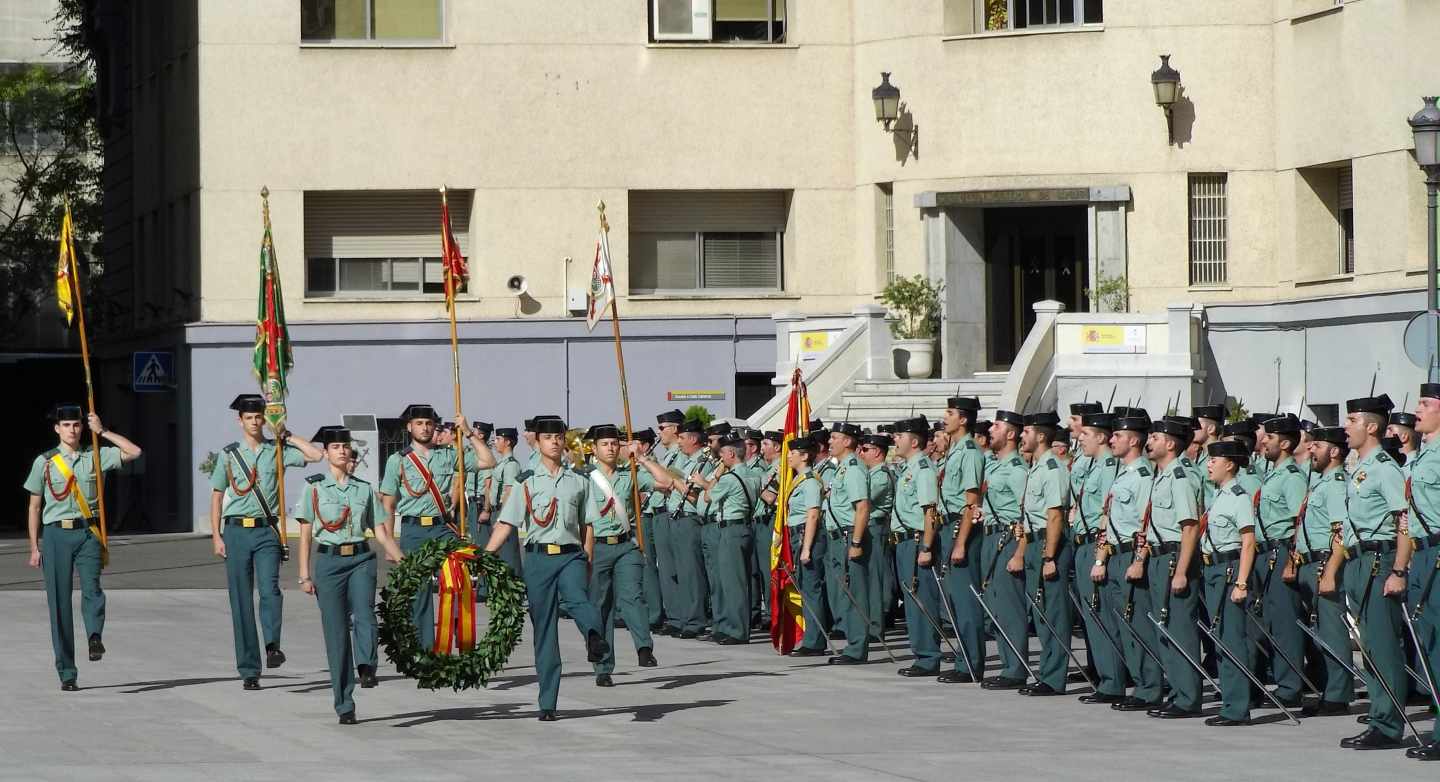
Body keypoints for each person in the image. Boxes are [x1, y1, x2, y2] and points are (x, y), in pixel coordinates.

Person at [486, 416, 607, 720]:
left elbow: (587, 525)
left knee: (578, 599)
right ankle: (548, 702)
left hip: (570, 555)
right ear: (537, 443)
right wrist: (484, 554)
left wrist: (588, 557)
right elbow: (506, 523)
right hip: (539, 559)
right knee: (544, 630)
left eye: (559, 437)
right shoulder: (526, 481)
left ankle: (594, 638)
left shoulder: (579, 481)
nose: (554, 442)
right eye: (548, 438)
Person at [209, 394, 322, 689]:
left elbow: (315, 456)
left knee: (271, 590)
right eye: (250, 417)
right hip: (235, 531)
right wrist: (217, 535)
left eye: (259, 417)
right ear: (240, 421)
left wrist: (286, 434)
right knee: (241, 600)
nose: (255, 422)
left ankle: (272, 645)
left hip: (267, 531)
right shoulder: (229, 455)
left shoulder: (277, 450)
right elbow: (217, 495)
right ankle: (249, 669)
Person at [24, 404, 141, 691]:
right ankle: (67, 672)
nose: (72, 430)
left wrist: (103, 431)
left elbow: (134, 452)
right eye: (66, 425)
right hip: (55, 536)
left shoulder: (95, 456)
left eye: (76, 425)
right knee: (59, 604)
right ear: (57, 429)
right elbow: (35, 506)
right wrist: (34, 547)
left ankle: (94, 638)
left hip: (88, 532)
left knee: (93, 589)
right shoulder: (46, 462)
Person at [292, 426, 404, 724]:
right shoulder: (313, 488)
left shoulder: (364, 489)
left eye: (345, 446)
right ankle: (344, 703)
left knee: (365, 612)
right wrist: (304, 575)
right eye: (335, 447)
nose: (342, 451)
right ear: (326, 453)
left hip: (360, 559)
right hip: (328, 565)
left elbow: (381, 531)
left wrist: (401, 557)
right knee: (337, 633)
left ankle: (367, 665)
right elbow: (304, 537)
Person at [1331, 394, 1412, 750]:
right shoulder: (1360, 469)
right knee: (1369, 648)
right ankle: (1380, 718)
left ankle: (1389, 725)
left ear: (1372, 426)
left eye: (1352, 421)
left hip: (1380, 562)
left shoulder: (1384, 468)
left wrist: (1398, 569)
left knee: (1383, 646)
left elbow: (1404, 522)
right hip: (1357, 560)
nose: (1346, 427)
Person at [379, 404, 490, 650]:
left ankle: (462, 641)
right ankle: (426, 650)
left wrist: (468, 432)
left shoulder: (448, 454)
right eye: (419, 423)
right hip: (414, 531)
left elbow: (487, 460)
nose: (425, 427)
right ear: (409, 427)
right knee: (419, 593)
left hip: (442, 528)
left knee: (457, 580)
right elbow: (387, 504)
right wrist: (389, 543)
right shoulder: (397, 461)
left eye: (429, 423)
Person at [582, 425, 657, 687]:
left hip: (626, 545)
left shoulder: (631, 474)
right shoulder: (584, 478)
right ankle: (603, 666)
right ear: (594, 449)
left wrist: (643, 459)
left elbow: (664, 481)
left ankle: (644, 648)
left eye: (615, 443)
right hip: (599, 547)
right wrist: (587, 555)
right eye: (605, 444)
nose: (611, 448)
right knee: (601, 606)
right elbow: (586, 523)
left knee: (633, 597)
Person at [1142, 417, 1204, 718]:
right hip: (1158, 556)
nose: (1149, 441)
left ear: (1170, 443)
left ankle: (1189, 697)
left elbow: (1190, 527)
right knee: (1164, 627)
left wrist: (1181, 570)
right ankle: (1178, 690)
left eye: (1155, 436)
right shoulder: (1163, 475)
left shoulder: (1180, 476)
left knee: (1180, 628)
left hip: (1173, 558)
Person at [1102, 411, 1163, 712]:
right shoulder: (1122, 473)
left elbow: (1146, 525)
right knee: (1124, 625)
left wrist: (1139, 560)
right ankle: (1139, 683)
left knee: (1138, 623)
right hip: (1115, 554)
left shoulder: (1141, 477)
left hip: (1131, 554)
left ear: (1134, 440)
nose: (1112, 439)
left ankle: (1150, 688)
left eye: (1118, 435)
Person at [1293, 426, 1355, 718]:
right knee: (1319, 632)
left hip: (1324, 563)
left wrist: (1331, 571)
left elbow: (1340, 532)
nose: (1311, 450)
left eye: (1316, 445)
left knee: (1332, 631)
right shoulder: (1320, 482)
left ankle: (1338, 695)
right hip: (1308, 562)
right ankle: (1328, 689)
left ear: (1333, 451)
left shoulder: (1335, 484)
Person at [1199, 440, 1260, 727]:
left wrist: (1242, 583)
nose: (1209, 464)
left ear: (1230, 464)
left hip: (1229, 569)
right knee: (1221, 637)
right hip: (1213, 569)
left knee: (1232, 639)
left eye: (1215, 460)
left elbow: (1248, 542)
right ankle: (1230, 701)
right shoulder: (1219, 495)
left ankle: (1237, 708)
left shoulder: (1238, 496)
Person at [1252, 414, 1309, 710]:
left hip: (1282, 551)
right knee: (1269, 620)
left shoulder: (1291, 476)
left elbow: (1300, 522)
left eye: (1270, 439)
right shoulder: (1272, 473)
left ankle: (1290, 686)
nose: (1264, 441)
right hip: (1265, 552)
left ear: (1285, 444)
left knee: (1285, 621)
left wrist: (1292, 562)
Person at [1017, 412, 1072, 696]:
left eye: (1026, 431)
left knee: (1054, 612)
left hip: (1047, 545)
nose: (1021, 436)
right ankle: (1046, 672)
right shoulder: (1037, 467)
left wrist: (1049, 557)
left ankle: (1054, 677)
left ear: (1040, 436)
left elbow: (1054, 515)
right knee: (1041, 612)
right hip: (1034, 541)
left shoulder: (1052, 468)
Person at [1073, 411, 1125, 705]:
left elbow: (1108, 515)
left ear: (1102, 438)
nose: (1080, 438)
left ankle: (1112, 681)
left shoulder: (1107, 469)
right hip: (1084, 542)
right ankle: (1104, 676)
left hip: (1096, 544)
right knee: (1092, 616)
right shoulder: (1094, 466)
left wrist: (1100, 557)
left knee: (1101, 614)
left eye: (1086, 434)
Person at [978, 410, 1031, 689]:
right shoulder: (995, 466)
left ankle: (1016, 669)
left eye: (997, 426)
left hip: (1009, 538)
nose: (991, 430)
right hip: (991, 536)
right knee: (996, 605)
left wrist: (1020, 552)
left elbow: (1027, 514)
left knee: (1010, 606)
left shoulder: (1016, 470)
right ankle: (1007, 662)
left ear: (1011, 434)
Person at [697, 435, 760, 645]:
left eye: (723, 453)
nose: (721, 458)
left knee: (733, 582)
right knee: (739, 580)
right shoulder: (752, 475)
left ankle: (737, 630)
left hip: (731, 530)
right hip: (744, 527)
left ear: (731, 454)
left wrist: (709, 479)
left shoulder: (729, 478)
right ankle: (733, 626)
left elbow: (708, 497)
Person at [891, 417, 942, 675]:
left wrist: (926, 547)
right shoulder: (909, 467)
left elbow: (930, 511)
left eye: (899, 436)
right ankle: (921, 653)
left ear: (913, 441)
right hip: (904, 541)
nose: (894, 440)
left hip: (916, 540)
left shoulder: (922, 468)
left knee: (921, 599)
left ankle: (928, 657)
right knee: (911, 600)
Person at [940, 397, 986, 682]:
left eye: (950, 413)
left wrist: (960, 543)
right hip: (948, 527)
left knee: (966, 601)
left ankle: (970, 664)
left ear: (964, 419)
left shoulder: (969, 451)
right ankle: (963, 659)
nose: (945, 417)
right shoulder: (954, 450)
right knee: (955, 601)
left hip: (961, 528)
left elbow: (971, 500)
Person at [1406, 384, 1440, 761]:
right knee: (1429, 646)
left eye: (1426, 404)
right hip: (1421, 552)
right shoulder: (1422, 455)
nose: (1418, 410)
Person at [821, 422, 872, 664]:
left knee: (855, 593)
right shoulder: (841, 468)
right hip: (838, 536)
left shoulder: (853, 468)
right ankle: (853, 643)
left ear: (848, 441)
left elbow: (862, 508)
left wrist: (856, 541)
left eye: (834, 437)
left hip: (848, 535)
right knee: (845, 593)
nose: (830, 442)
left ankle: (857, 647)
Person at [647, 409, 687, 635]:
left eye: (662, 428)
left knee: (673, 568)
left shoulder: (678, 454)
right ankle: (673, 615)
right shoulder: (667, 455)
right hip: (659, 512)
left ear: (674, 429)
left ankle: (678, 616)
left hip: (670, 511)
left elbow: (673, 481)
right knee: (666, 569)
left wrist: (652, 465)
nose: (659, 432)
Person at [857, 433, 896, 641]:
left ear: (877, 452)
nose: (861, 453)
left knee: (875, 578)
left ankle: (876, 626)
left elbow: (865, 499)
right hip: (870, 526)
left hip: (876, 527)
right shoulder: (872, 473)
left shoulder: (880, 475)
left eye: (865, 449)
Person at [629, 427, 665, 631]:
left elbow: (659, 485)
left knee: (649, 566)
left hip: (648, 516)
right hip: (638, 517)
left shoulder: (652, 464)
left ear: (643, 446)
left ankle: (654, 613)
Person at [480, 427, 523, 594]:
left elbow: (508, 492)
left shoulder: (511, 465)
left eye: (498, 439)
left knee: (508, 552)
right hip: (498, 511)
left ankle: (515, 588)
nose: (495, 442)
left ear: (508, 442)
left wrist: (503, 517)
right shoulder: (502, 463)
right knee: (502, 552)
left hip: (505, 513)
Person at [751, 430, 784, 629]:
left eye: (765, 444)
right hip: (761, 521)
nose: (762, 449)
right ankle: (772, 614)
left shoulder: (780, 468)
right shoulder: (771, 468)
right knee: (763, 571)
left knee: (770, 569)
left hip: (772, 520)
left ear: (777, 447)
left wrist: (754, 485)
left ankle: (775, 614)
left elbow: (771, 498)